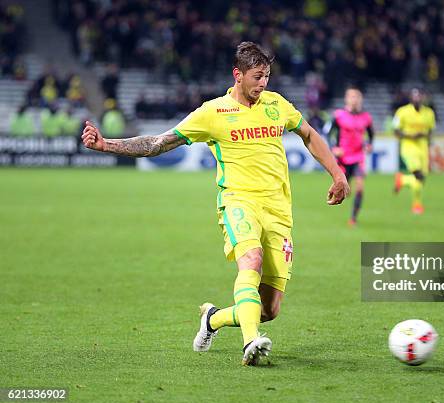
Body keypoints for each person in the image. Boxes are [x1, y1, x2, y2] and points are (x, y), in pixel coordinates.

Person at [81, 42, 349, 366]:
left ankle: (212, 319)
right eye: (257, 76)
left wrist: (337, 173)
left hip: (279, 211)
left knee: (270, 309)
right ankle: (251, 343)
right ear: (238, 75)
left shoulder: (277, 104)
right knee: (251, 259)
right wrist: (106, 144)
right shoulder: (213, 112)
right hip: (239, 201)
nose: (263, 83)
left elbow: (308, 134)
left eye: (267, 76)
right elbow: (158, 143)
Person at [325, 86, 374, 226]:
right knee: (343, 188)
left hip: (358, 158)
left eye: (357, 97)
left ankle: (353, 218)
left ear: (361, 99)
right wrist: (334, 148)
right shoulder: (338, 115)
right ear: (346, 99)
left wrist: (369, 144)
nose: (354, 100)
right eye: (352, 97)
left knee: (360, 188)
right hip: (343, 158)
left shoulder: (366, 117)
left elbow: (371, 134)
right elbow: (328, 133)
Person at [392, 88, 436, 214]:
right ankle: (417, 205)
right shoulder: (402, 112)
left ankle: (402, 180)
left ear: (423, 97)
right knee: (418, 175)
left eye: (419, 96)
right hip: (408, 146)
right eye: (414, 96)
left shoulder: (429, 113)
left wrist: (426, 137)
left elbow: (431, 130)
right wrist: (409, 135)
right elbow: (395, 130)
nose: (417, 98)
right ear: (411, 98)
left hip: (423, 147)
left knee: (422, 179)